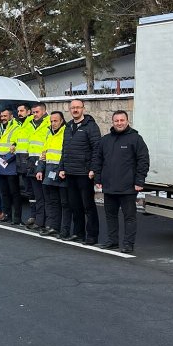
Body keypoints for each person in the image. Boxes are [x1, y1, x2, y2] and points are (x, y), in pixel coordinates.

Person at [93, 110, 150, 253]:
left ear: (127, 121)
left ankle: (128, 244)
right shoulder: (105, 140)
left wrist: (139, 181)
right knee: (110, 216)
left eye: (122, 120)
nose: (119, 123)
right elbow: (98, 160)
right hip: (109, 186)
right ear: (112, 122)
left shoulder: (136, 139)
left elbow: (143, 161)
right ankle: (112, 241)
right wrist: (98, 178)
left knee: (129, 217)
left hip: (128, 187)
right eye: (116, 121)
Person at [58, 99, 102, 244]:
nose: (75, 110)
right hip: (70, 172)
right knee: (75, 206)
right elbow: (64, 149)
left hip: (84, 173)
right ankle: (78, 233)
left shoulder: (91, 126)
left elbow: (97, 149)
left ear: (83, 108)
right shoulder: (68, 126)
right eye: (73, 108)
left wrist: (93, 169)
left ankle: (92, 235)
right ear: (69, 110)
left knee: (88, 206)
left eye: (78, 107)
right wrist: (62, 168)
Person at [36, 111, 70, 238]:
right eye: (51, 121)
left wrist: (62, 169)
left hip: (61, 172)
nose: (53, 123)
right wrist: (40, 169)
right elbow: (43, 153)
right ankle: (52, 227)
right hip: (49, 172)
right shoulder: (49, 133)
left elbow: (66, 154)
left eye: (56, 121)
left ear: (62, 121)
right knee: (51, 202)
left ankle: (64, 230)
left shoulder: (66, 133)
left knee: (64, 203)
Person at [24, 103, 51, 229]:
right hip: (31, 162)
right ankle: (37, 218)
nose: (34, 114)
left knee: (43, 195)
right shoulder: (30, 123)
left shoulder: (48, 123)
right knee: (35, 194)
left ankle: (42, 222)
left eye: (37, 112)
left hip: (42, 162)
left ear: (44, 111)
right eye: (33, 112)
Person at [0, 108, 22, 224]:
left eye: (5, 116)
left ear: (11, 116)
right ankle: (7, 215)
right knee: (4, 192)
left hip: (10, 165)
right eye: (2, 116)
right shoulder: (1, 128)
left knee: (14, 193)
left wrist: (6, 160)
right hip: (0, 165)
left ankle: (17, 218)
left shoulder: (16, 127)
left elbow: (16, 146)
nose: (3, 118)